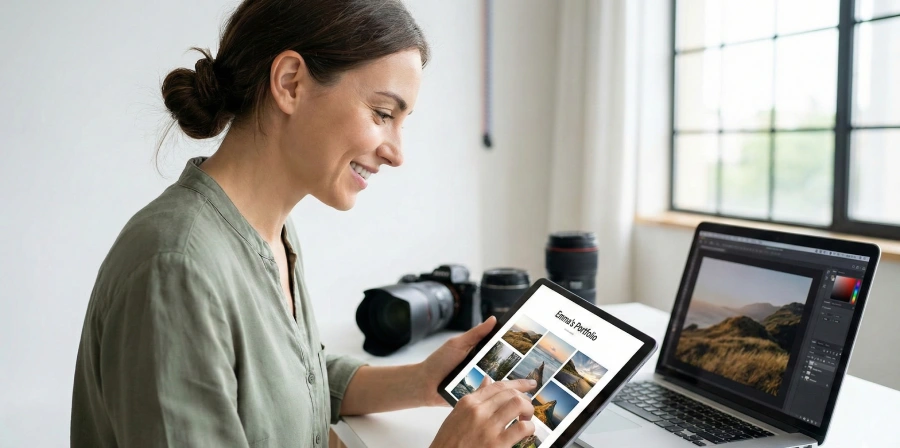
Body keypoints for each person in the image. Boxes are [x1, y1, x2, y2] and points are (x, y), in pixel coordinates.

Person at [70, 1, 537, 447]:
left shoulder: (272, 232)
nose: (396, 153)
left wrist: (419, 381)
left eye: (401, 121)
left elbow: (292, 378)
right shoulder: (176, 270)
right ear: (291, 82)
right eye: (381, 114)